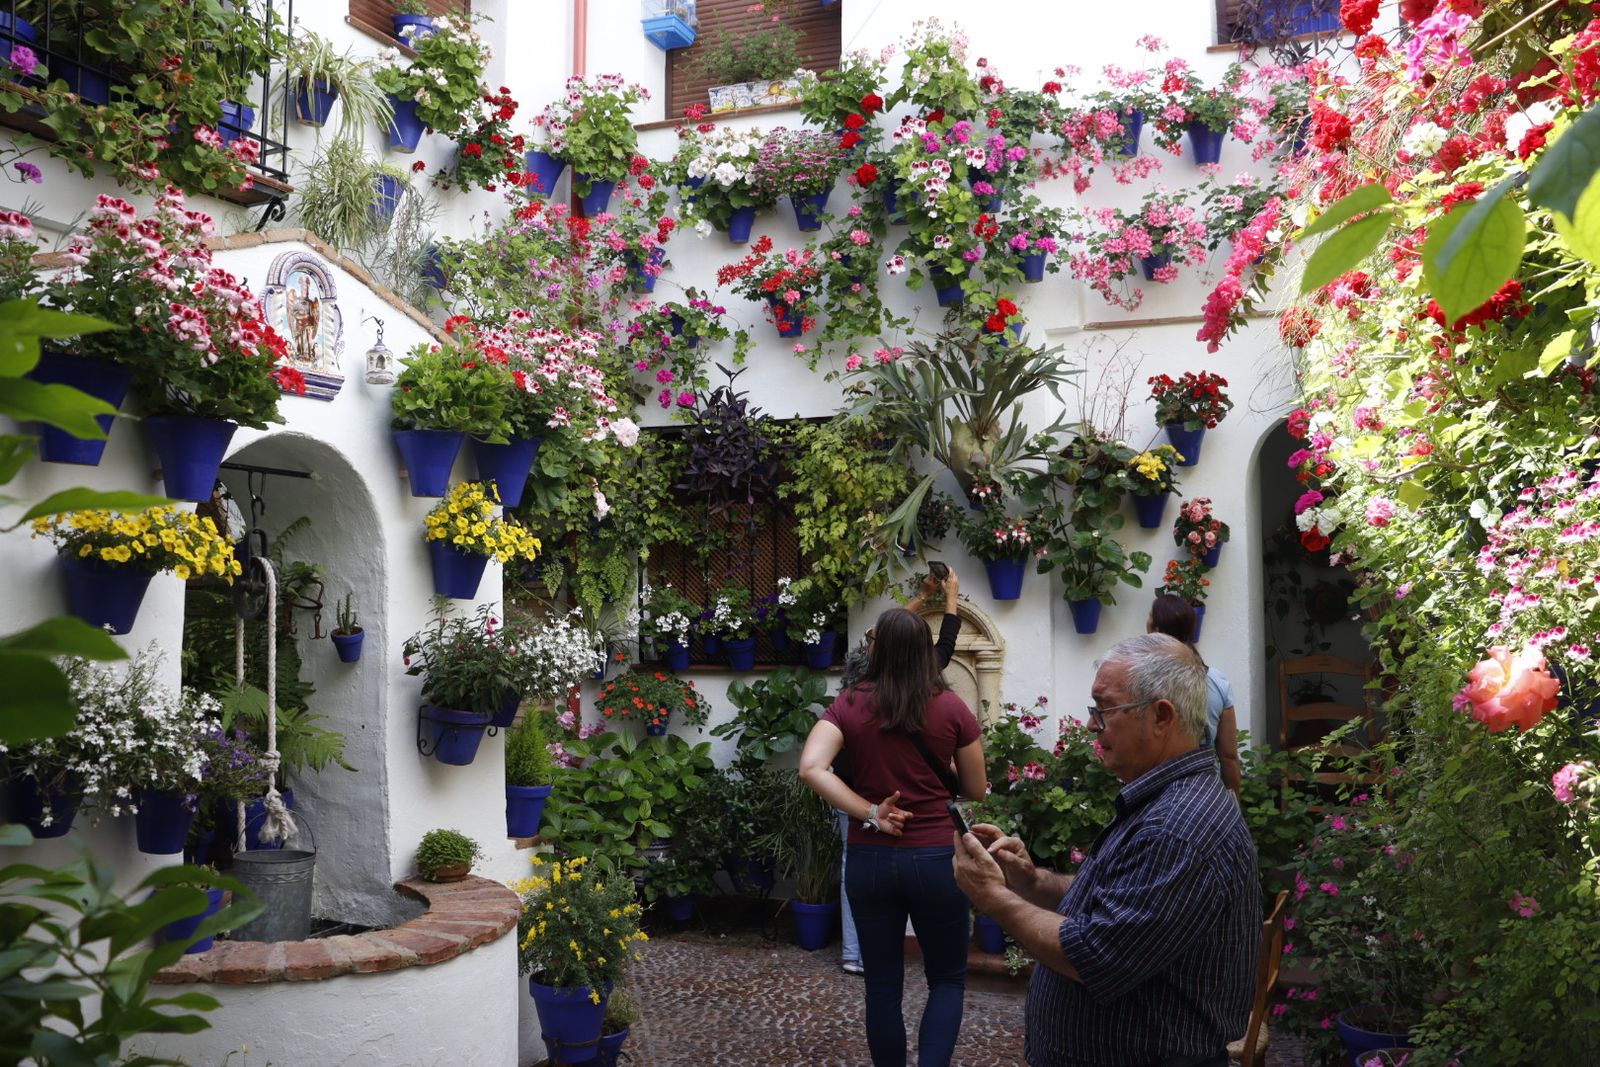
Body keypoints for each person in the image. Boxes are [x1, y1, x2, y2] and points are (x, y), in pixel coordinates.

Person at [952, 634, 1260, 1067]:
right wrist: (1029, 880)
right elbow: (1118, 899)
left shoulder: (1178, 827)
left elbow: (1094, 955)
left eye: (1104, 708)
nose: (1093, 723)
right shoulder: (1169, 799)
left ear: (1161, 716)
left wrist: (993, 897)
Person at [801, 606, 986, 1067]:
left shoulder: (848, 704)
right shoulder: (951, 707)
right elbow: (976, 789)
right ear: (927, 653)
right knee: (946, 979)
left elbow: (811, 768)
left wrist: (870, 812)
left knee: (882, 985)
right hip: (937, 859)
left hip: (871, 860)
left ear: (876, 649)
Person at [836, 566, 962, 977]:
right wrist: (948, 600)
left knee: (851, 867)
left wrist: (922, 599)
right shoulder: (930, 688)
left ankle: (856, 953)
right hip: (916, 820)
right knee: (946, 977)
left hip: (854, 790)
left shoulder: (856, 677)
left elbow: (887, 634)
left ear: (875, 646)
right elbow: (939, 643)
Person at [1148, 594, 1241, 798]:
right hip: (1207, 795)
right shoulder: (1217, 681)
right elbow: (1229, 757)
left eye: (1149, 617)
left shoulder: (1144, 683)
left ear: (1155, 630)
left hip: (1158, 794)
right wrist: (1235, 808)